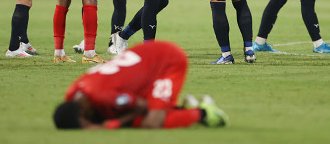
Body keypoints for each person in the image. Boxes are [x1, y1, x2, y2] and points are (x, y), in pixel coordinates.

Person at [53, 41, 228, 129]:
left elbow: (141, 106)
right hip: (141, 63)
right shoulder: (72, 94)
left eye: (86, 122)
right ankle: (178, 108)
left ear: (83, 111)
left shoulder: (103, 96)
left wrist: (113, 125)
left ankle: (205, 112)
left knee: (151, 122)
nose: (90, 126)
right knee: (134, 120)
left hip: (166, 60)